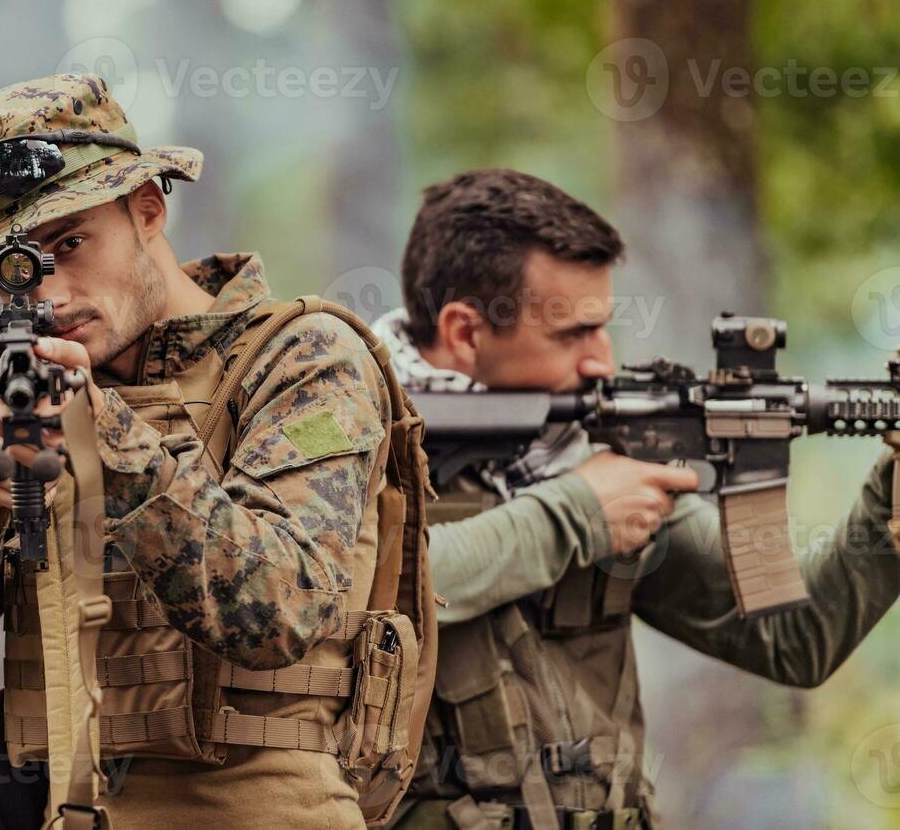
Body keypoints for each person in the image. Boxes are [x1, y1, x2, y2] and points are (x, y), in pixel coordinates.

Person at [0, 73, 433, 830]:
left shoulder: (302, 359)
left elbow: (282, 610)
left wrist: (111, 440)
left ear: (148, 210)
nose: (49, 293)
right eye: (16, 266)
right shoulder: (24, 389)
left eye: (71, 243)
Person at [380, 169, 900, 830]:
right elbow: (349, 592)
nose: (604, 359)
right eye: (573, 333)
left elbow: (793, 638)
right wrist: (573, 516)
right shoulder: (347, 439)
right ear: (465, 333)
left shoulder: (587, 450)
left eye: (605, 327)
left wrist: (886, 505)